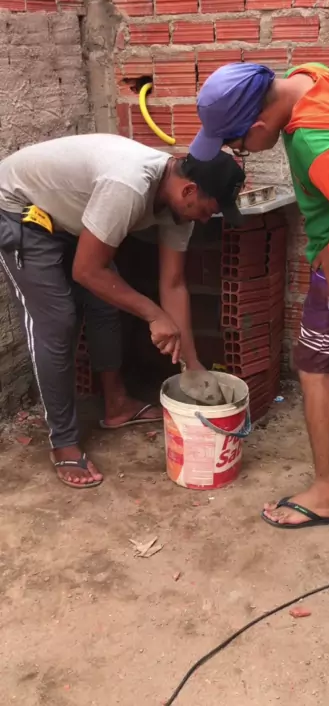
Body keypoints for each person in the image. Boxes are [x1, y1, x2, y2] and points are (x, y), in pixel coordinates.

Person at [189, 62, 329, 528]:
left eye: (235, 144)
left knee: (314, 367)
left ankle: (327, 495)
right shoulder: (311, 78)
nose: (238, 152)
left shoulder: (314, 141)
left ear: (258, 127)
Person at [0, 134, 244, 489]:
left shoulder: (180, 207)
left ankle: (117, 406)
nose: (208, 219)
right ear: (189, 191)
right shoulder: (128, 185)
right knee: (57, 320)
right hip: (20, 208)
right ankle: (63, 442)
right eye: (209, 210)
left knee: (106, 300)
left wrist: (192, 365)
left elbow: (174, 284)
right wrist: (153, 314)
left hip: (69, 215)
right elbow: (87, 271)